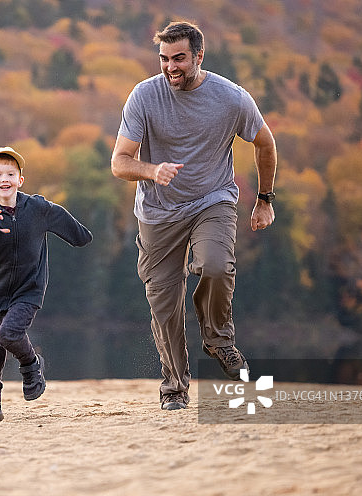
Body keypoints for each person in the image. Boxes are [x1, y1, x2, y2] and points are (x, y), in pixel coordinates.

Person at [111, 21, 277, 411]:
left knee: (216, 266)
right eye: (164, 59)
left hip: (212, 200)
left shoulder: (232, 99)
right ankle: (174, 389)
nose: (171, 67)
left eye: (180, 58)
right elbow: (119, 163)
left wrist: (265, 199)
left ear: (199, 56)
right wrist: (152, 171)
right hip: (157, 212)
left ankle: (219, 340)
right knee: (164, 303)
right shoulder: (144, 97)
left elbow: (266, 143)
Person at [0, 147, 93, 422]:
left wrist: (79, 236)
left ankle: (32, 364)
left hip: (28, 290)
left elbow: (78, 234)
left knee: (8, 334)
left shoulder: (38, 208)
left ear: (20, 179)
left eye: (10, 173)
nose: (4, 179)